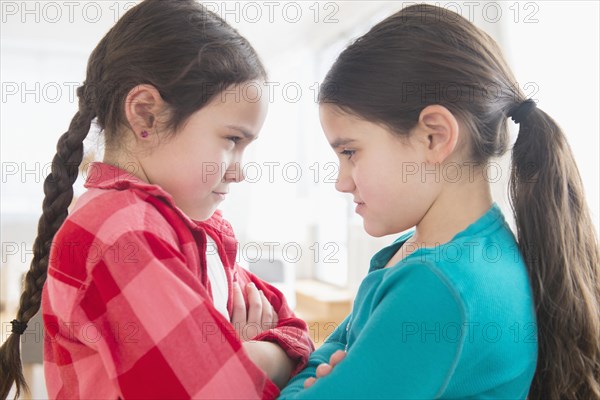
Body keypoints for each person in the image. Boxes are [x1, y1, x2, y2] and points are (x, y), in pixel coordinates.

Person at [279, 3, 599, 399]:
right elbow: (336, 351)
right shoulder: (474, 251)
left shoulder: (436, 287)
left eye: (350, 152)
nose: (341, 182)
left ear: (434, 136)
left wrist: (301, 373)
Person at [0, 1, 314, 398]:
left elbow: (297, 333)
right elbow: (218, 392)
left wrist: (234, 352)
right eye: (232, 141)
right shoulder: (120, 232)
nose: (240, 171)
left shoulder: (195, 229)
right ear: (146, 115)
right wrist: (254, 353)